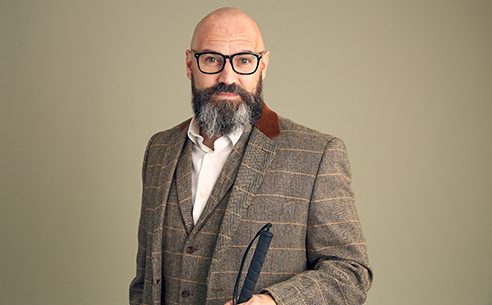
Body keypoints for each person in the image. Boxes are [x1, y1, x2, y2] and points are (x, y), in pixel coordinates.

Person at [130, 7, 373, 305]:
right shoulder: (159, 149)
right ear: (189, 64)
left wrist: (274, 303)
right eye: (211, 59)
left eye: (244, 60)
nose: (227, 76)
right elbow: (145, 281)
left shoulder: (317, 154)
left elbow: (350, 273)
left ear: (263, 65)